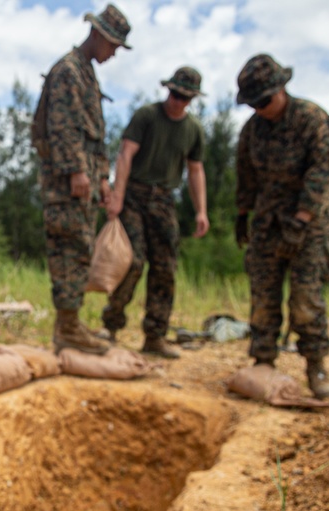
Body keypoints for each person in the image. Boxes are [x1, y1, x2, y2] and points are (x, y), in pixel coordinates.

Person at [234, 54, 329, 399]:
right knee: (263, 293)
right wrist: (242, 213)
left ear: (282, 89)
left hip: (310, 221)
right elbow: (245, 175)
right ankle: (263, 361)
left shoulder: (313, 120)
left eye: (264, 101)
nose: (260, 108)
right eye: (254, 103)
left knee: (305, 297)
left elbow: (321, 174)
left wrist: (302, 220)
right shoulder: (252, 129)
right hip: (268, 219)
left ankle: (315, 366)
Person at [33, 3, 132, 355]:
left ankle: (70, 325)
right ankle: (68, 329)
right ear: (99, 35)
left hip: (84, 182)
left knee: (79, 249)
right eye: (114, 46)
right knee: (69, 249)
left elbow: (95, 136)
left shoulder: (87, 74)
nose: (114, 54)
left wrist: (102, 179)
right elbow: (62, 127)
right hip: (67, 182)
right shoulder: (68, 71)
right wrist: (76, 170)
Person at [98, 66, 210, 358]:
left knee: (165, 268)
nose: (177, 101)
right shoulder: (147, 116)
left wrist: (201, 211)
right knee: (132, 261)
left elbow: (195, 170)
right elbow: (125, 154)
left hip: (163, 200)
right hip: (134, 194)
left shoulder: (194, 130)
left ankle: (155, 336)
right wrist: (117, 196)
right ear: (167, 91)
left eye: (184, 98)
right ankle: (110, 327)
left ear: (192, 99)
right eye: (174, 94)